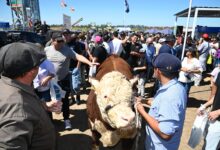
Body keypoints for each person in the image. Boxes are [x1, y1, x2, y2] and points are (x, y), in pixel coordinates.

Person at [0, 42, 61, 150]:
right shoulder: (17, 109)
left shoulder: (10, 84)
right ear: (31, 71)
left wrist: (43, 105)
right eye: (38, 64)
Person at [45, 32, 98, 130]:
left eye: (62, 41)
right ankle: (50, 121)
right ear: (52, 41)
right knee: (49, 101)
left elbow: (78, 56)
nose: (61, 43)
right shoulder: (46, 50)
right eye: (58, 41)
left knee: (65, 101)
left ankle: (66, 119)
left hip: (63, 80)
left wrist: (89, 63)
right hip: (49, 81)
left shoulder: (67, 50)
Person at [136, 53, 187, 150]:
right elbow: (161, 105)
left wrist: (142, 111)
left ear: (158, 71)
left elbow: (165, 133)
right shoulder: (176, 86)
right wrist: (144, 101)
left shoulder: (170, 96)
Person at [197, 72, 220, 150]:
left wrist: (218, 112)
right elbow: (217, 96)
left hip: (218, 121)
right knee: (207, 144)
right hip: (213, 118)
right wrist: (205, 105)